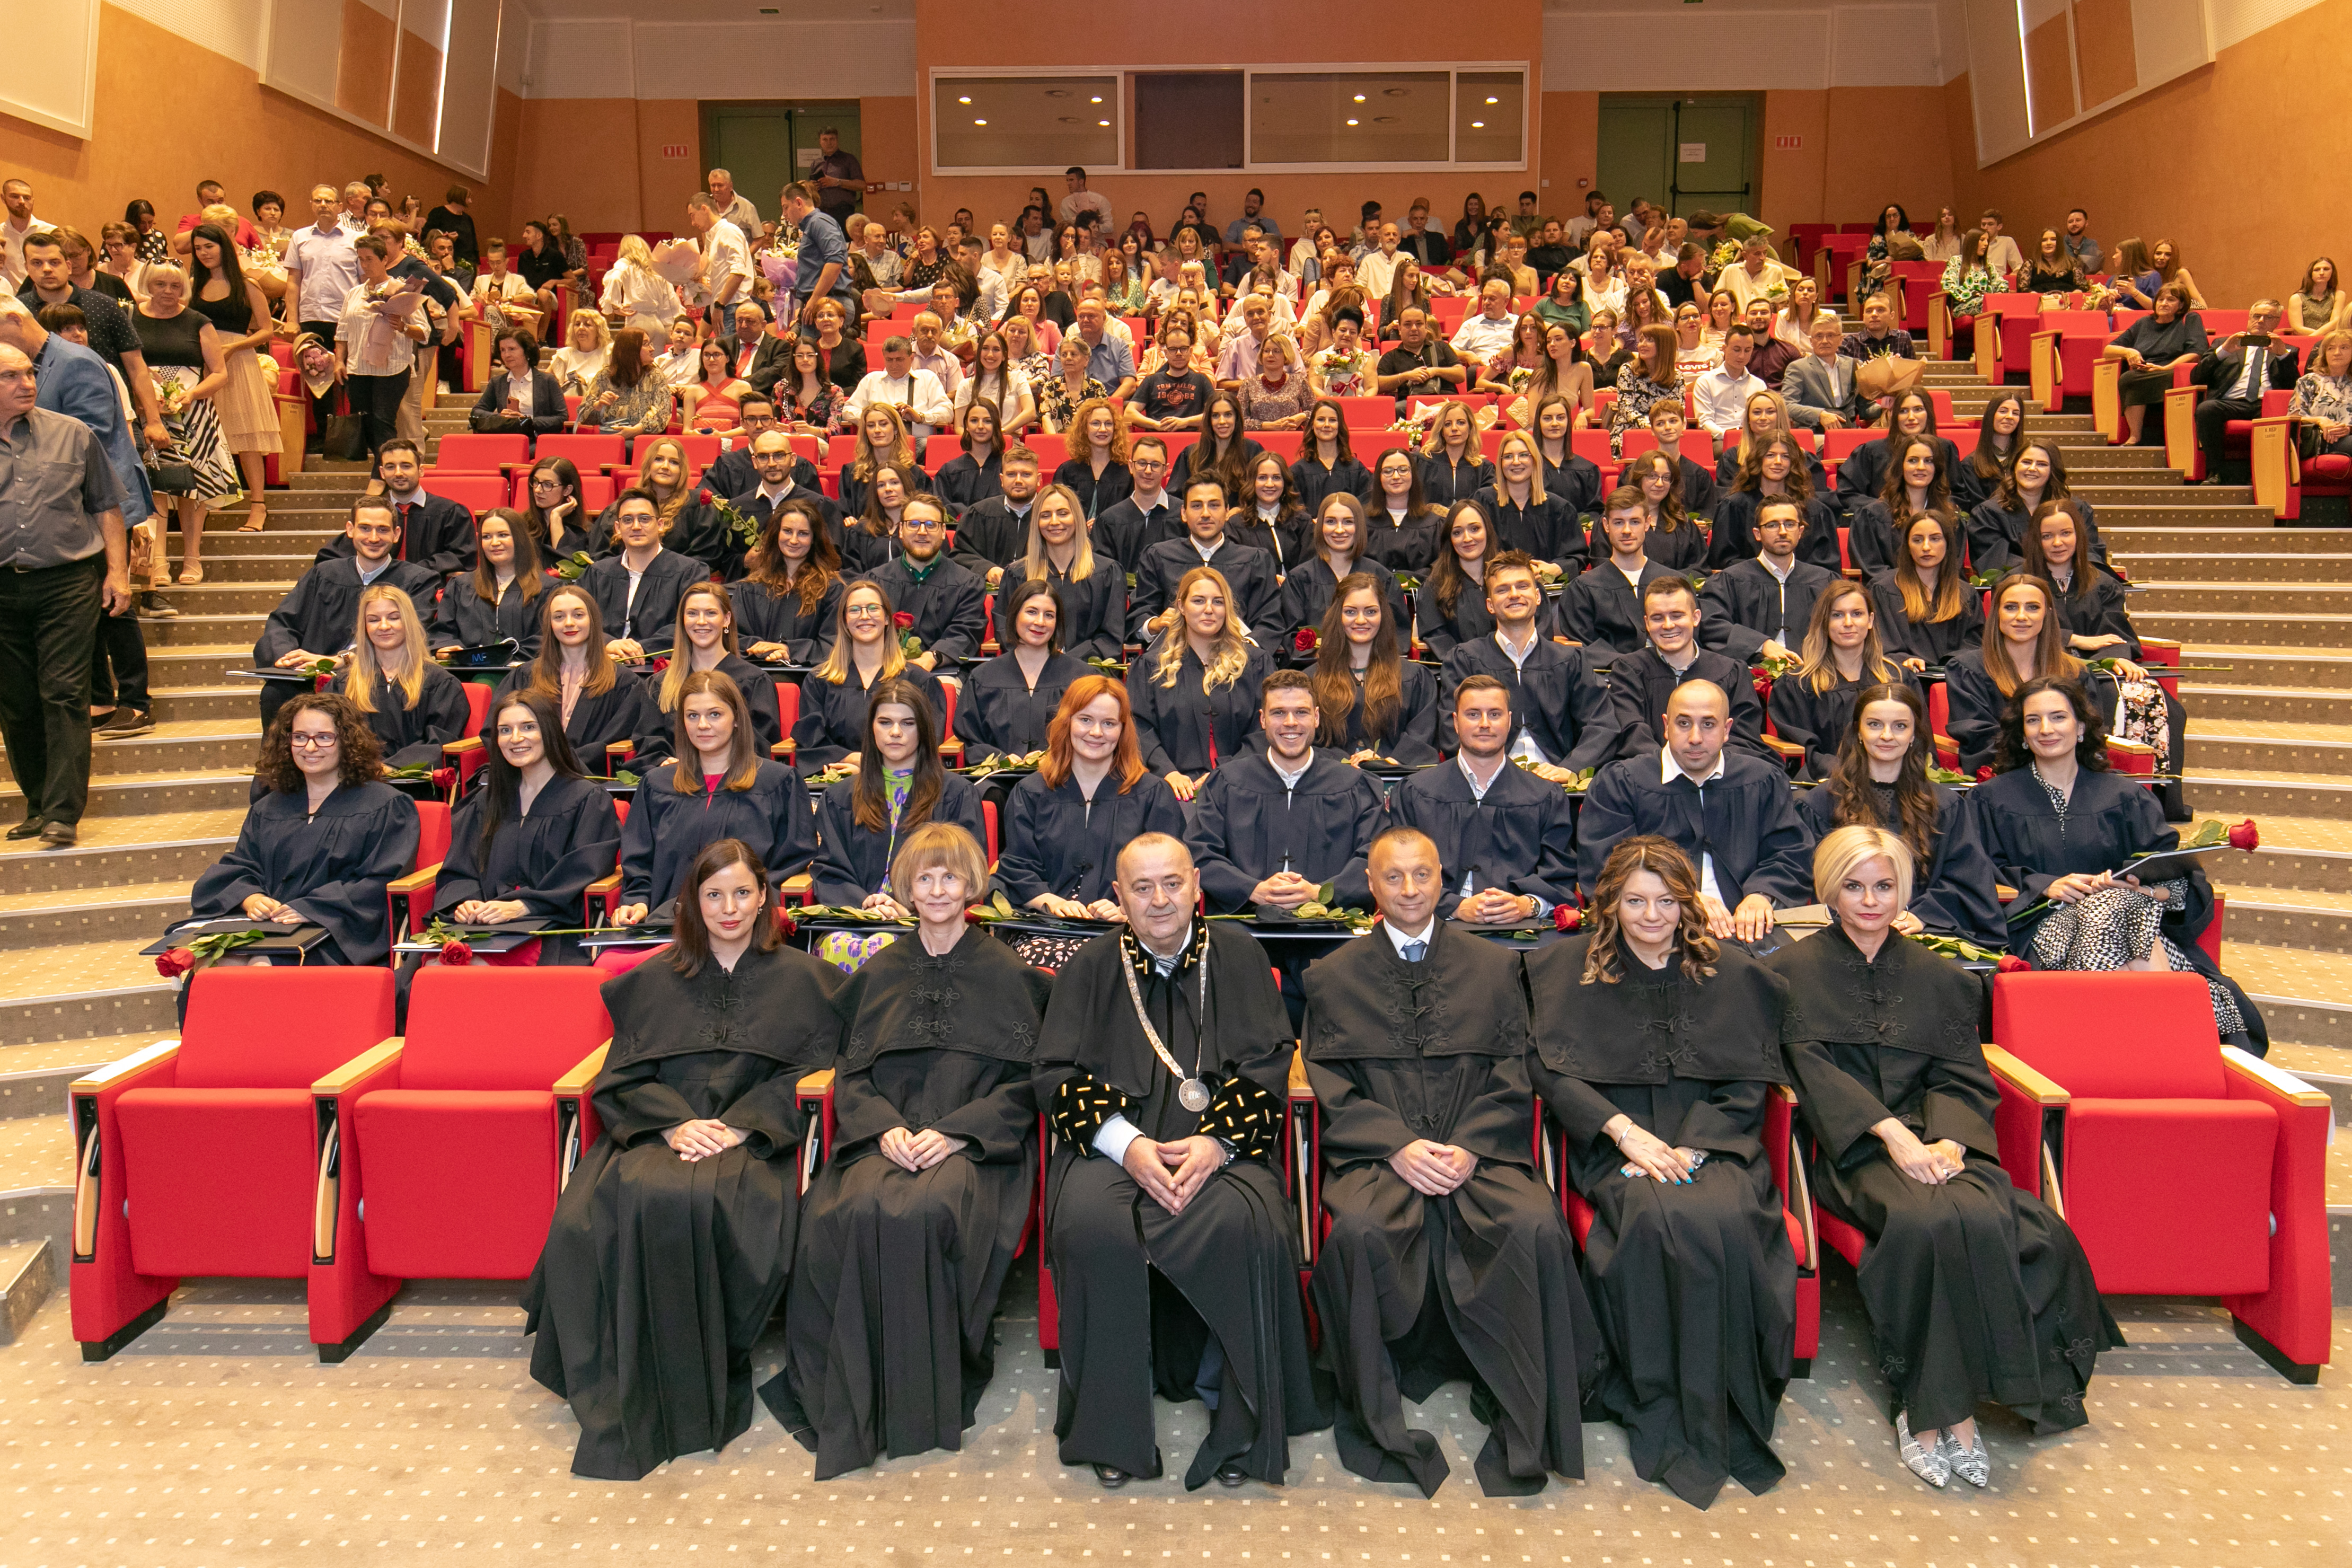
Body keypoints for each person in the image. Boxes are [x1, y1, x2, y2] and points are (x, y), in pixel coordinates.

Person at [1772, 826, 2123, 1488]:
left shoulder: (1944, 979)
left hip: (1943, 1142)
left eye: (1884, 886)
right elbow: (1810, 1072)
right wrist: (1896, 1139)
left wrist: (1948, 1142)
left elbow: (1963, 1076)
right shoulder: (1787, 974)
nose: (1870, 900)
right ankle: (1930, 1412)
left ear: (1903, 890)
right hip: (1854, 1148)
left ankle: (1969, 1406)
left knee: (2021, 1225)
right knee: (1926, 1225)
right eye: (1854, 886)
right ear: (1830, 892)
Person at [524, 837, 844, 1479]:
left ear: (764, 900)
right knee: (610, 1209)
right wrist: (672, 1125)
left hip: (754, 1139)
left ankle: (698, 1371)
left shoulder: (809, 981)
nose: (729, 908)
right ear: (693, 903)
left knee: (706, 1200)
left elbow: (816, 1075)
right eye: (714, 895)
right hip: (657, 1131)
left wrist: (743, 1126)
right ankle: (642, 1376)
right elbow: (620, 1079)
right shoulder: (651, 980)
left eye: (742, 893)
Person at [1302, 826, 1598, 1498]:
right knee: (1359, 1230)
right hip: (1381, 1157)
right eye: (1394, 877)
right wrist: (1396, 1145)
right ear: (1371, 888)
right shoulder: (1332, 976)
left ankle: (1519, 1393)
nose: (1410, 890)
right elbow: (1328, 1078)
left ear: (1445, 881)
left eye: (1423, 875)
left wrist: (1469, 1145)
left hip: (1480, 1152)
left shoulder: (1496, 967)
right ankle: (1377, 1396)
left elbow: (1513, 1069)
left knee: (1531, 1224)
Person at [1034, 832, 1320, 1490]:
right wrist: (1126, 1145)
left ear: (1197, 886)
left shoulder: (1241, 954)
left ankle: (1239, 1417)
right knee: (1092, 1225)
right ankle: (1112, 1429)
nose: (1159, 900)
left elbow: (1270, 1061)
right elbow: (1053, 1075)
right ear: (1118, 896)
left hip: (1216, 1143)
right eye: (1142, 887)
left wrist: (1216, 1144)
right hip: (1113, 1148)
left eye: (1172, 884)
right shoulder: (1090, 966)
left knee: (1246, 1222)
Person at [1525, 834, 1796, 1508]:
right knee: (1653, 1219)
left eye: (1667, 902)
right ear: (1609, 904)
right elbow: (1549, 1072)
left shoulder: (1730, 973)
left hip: (1714, 1142)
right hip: (1616, 1145)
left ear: (1687, 904)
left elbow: (1747, 1082)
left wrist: (1696, 1148)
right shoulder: (1565, 970)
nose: (1651, 916)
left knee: (1728, 1217)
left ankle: (1727, 1400)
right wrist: (1625, 1135)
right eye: (1635, 901)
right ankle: (1661, 1397)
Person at [779, 819, 1046, 1477]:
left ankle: (923, 1395)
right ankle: (854, 1391)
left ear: (972, 885)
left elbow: (1028, 1082)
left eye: (949, 876)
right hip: (887, 1136)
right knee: (837, 1214)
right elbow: (853, 1070)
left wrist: (958, 1133)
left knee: (925, 1214)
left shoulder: (1008, 972)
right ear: (905, 886)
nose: (935, 889)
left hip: (974, 1147)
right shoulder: (881, 970)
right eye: (923, 877)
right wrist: (882, 1127)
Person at [1969, 677, 2262, 1046]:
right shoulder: (1990, 799)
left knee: (2117, 903)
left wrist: (2147, 890)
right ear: (2021, 732)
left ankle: (2124, 1046)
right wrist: (2045, 884)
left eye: (2058, 717)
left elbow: (2174, 878)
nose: (2045, 729)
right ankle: (2170, 1046)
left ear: (2079, 728)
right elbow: (1977, 869)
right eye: (2033, 720)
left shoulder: (2125, 796)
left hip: (2131, 919)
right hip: (2040, 924)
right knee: (2119, 916)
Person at [0, 340, 134, 844]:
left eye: (29, 373)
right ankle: (37, 803)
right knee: (15, 702)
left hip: (68, 581)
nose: (28, 383)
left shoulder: (73, 434)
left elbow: (107, 508)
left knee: (63, 692)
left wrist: (117, 574)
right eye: (12, 377)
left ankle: (62, 813)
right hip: (2, 586)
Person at [1577, 681, 1813, 941]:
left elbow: (1791, 852)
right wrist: (1679, 897)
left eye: (1709, 724)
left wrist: (1763, 894)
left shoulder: (1763, 780)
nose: (1695, 738)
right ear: (1666, 726)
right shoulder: (1620, 783)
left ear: (1727, 730)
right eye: (1684, 723)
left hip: (1751, 930)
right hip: (1657, 930)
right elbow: (1608, 865)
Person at [428, 690, 622, 967]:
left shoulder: (587, 800)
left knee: (468, 972)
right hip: (486, 926)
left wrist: (523, 906)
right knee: (433, 969)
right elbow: (460, 868)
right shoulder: (487, 801)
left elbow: (584, 870)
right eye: (505, 730)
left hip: (549, 926)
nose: (516, 739)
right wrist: (467, 901)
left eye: (528, 727)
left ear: (550, 732)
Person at [1796, 684, 2003, 944]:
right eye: (1874, 724)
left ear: (1914, 735)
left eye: (1900, 726)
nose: (1886, 735)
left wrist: (1923, 915)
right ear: (1858, 732)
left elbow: (1968, 880)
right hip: (1842, 937)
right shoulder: (1821, 803)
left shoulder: (1945, 806)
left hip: (1921, 934)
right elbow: (1809, 880)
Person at [612, 672, 815, 926]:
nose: (703, 725)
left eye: (715, 714)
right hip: (669, 925)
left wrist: (751, 904)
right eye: (693, 716)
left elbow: (792, 862)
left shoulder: (779, 783)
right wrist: (637, 901)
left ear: (737, 719)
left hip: (747, 924)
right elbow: (639, 862)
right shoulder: (656, 785)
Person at [1185, 669, 1385, 921]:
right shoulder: (1226, 783)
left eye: (1301, 712)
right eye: (1278, 713)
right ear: (1263, 720)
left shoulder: (1356, 785)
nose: (1290, 722)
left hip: (1333, 929)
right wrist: (1253, 889)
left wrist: (1318, 892)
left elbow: (1376, 857)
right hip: (1245, 927)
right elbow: (1200, 852)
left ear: (1316, 717)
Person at [994, 675, 1186, 921]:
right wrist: (1052, 903)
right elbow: (1018, 868)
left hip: (1127, 926)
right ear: (1068, 722)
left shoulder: (1153, 794)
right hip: (1047, 925)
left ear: (1123, 729)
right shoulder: (1030, 793)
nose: (1096, 733)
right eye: (1086, 720)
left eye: (1109, 723)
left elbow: (1171, 873)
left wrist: (1125, 910)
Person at [1387, 675, 1579, 921]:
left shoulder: (1546, 797)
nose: (1485, 724)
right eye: (1474, 714)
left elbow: (1560, 875)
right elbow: (1399, 873)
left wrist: (1526, 905)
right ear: (1456, 722)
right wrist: (1454, 906)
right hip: (1436, 926)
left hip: (1522, 928)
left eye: (1495, 714)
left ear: (1510, 722)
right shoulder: (1415, 792)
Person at [252, 498, 440, 730]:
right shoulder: (323, 574)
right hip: (312, 676)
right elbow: (282, 622)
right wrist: (289, 658)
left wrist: (344, 660)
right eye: (365, 528)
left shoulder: (417, 580)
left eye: (383, 530)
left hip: (377, 677)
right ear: (350, 530)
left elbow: (412, 635)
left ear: (396, 534)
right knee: (276, 693)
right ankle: (280, 768)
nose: (373, 538)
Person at [809, 681, 988, 909]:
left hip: (927, 921)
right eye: (885, 722)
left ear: (923, 730)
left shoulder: (956, 794)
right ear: (871, 727)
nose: (895, 732)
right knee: (838, 945)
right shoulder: (840, 798)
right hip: (855, 917)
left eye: (908, 723)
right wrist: (866, 903)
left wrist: (907, 906)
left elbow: (967, 872)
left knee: (885, 944)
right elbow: (829, 870)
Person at [1437, 550, 1616, 772]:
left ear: (1539, 597)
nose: (1514, 594)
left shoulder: (1570, 661)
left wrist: (1570, 769)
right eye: (1502, 590)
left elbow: (1602, 724)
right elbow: (1451, 727)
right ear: (1490, 605)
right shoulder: (1464, 660)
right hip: (1488, 780)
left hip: (1556, 784)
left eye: (1522, 586)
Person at [1943, 575, 2118, 777]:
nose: (2021, 616)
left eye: (2033, 608)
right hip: (2004, 777)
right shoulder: (1967, 670)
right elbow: (1980, 741)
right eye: (2010, 607)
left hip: (2068, 777)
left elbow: (2087, 737)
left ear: (2048, 614)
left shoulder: (2076, 674)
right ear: (1997, 613)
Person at [1126, 565, 1273, 801]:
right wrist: (1168, 772)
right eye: (1198, 601)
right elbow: (1137, 726)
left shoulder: (1255, 664)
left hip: (1243, 786)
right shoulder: (1151, 667)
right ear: (1182, 607)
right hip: (1171, 789)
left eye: (1218, 602)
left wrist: (1228, 771)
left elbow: (1264, 727)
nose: (1209, 610)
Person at [485, 585, 658, 773]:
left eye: (578, 615)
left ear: (593, 620)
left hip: (587, 778)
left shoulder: (622, 683)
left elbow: (614, 740)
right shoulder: (525, 676)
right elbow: (495, 730)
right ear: (549, 624)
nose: (568, 623)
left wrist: (560, 765)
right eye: (559, 617)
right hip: (526, 774)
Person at [1603, 577, 1769, 762]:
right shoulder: (1629, 671)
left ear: (1696, 617)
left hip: (1718, 776)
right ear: (1647, 623)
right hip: (1649, 773)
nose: (1668, 625)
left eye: (1677, 615)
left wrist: (1702, 765)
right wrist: (1665, 766)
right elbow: (1631, 729)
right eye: (1657, 618)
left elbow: (1743, 737)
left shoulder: (1731, 671)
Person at [791, 578, 948, 772]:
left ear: (887, 618)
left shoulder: (919, 682)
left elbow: (926, 747)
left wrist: (870, 769)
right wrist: (856, 760)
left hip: (899, 784)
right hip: (835, 778)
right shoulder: (819, 681)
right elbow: (812, 741)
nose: (864, 616)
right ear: (844, 621)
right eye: (855, 610)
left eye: (873, 608)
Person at [1760, 577, 1910, 772]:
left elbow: (1920, 743)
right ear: (1824, 622)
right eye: (1837, 615)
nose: (1848, 623)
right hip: (1828, 784)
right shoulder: (1799, 685)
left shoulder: (1898, 679)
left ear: (1870, 620)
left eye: (1857, 614)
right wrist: (1850, 775)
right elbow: (1807, 752)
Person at [1131, 475, 1283, 647]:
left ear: (1227, 512)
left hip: (1239, 660)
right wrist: (1154, 624)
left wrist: (1246, 650)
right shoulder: (1158, 557)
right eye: (1196, 506)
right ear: (1183, 513)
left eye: (1214, 505)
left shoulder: (1255, 561)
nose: (1205, 514)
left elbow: (1269, 620)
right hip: (1173, 659)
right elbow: (1141, 613)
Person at [953, 576, 1087, 762]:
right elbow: (969, 739)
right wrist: (1001, 759)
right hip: (997, 779)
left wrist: (1055, 757)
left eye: (1049, 615)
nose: (1040, 622)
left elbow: (1093, 735)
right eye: (1032, 612)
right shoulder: (983, 678)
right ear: (1015, 615)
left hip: (1062, 776)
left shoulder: (1081, 678)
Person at [644, 584, 783, 761]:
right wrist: (663, 761)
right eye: (692, 613)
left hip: (736, 780)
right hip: (675, 779)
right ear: (683, 620)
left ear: (726, 619)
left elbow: (762, 743)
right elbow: (649, 739)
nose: (701, 622)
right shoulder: (661, 684)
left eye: (711, 613)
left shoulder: (755, 681)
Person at [337, 584, 471, 767]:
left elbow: (441, 744)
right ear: (364, 627)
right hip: (356, 783)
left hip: (413, 783)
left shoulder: (439, 684)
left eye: (394, 618)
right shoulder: (344, 682)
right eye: (374, 620)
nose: (384, 626)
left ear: (408, 622)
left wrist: (391, 767)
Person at [1702, 497, 1837, 668]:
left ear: (1800, 531)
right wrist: (1761, 644)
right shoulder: (1729, 581)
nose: (1782, 532)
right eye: (1772, 525)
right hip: (1749, 676)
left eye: (1790, 524)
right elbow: (1711, 624)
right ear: (1757, 534)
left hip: (1814, 674)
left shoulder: (1825, 581)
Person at [579, 488, 709, 661]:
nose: (636, 526)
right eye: (627, 520)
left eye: (645, 519)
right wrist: (606, 643)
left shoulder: (690, 573)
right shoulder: (598, 574)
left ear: (660, 525)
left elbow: (694, 622)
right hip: (601, 664)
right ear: (618, 528)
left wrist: (642, 649)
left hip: (661, 669)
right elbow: (574, 616)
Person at [2190, 299, 2300, 481]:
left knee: (2282, 416)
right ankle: (2216, 472)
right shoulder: (2223, 343)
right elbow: (2196, 377)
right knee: (2206, 409)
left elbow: (2293, 387)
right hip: (2229, 402)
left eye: (2268, 317)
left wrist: (2283, 356)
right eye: (2257, 316)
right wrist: (2224, 351)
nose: (2261, 321)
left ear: (2278, 322)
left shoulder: (2287, 350)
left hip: (2266, 406)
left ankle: (2264, 475)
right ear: (2249, 318)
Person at [733, 495, 844, 666]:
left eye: (803, 534)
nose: (793, 540)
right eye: (787, 531)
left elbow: (834, 645)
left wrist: (789, 649)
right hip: (755, 672)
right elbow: (734, 638)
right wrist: (766, 650)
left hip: (808, 677)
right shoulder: (751, 587)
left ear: (814, 539)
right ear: (776, 534)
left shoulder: (832, 590)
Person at [1867, 510, 1982, 669]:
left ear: (1948, 543)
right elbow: (1880, 643)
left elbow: (1975, 644)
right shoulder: (1884, 591)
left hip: (1955, 678)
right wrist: (1903, 659)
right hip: (1905, 678)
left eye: (1935, 539)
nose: (1926, 547)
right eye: (1917, 540)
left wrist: (1952, 664)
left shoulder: (1966, 594)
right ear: (1907, 546)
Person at [2101, 284, 2207, 445]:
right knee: (2130, 378)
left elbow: (2196, 353)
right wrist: (2129, 352)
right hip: (2146, 371)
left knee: (2133, 379)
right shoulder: (2144, 323)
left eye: (2171, 300)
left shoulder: (2190, 319)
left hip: (2176, 371)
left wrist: (2166, 368)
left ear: (2181, 305)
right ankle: (2135, 435)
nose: (2164, 303)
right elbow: (2108, 349)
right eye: (2161, 299)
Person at [429, 509, 542, 658]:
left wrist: (500, 655)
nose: (495, 543)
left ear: (521, 539)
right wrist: (445, 649)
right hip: (469, 669)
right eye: (487, 537)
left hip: (526, 670)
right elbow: (443, 632)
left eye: (503, 535)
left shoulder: (546, 588)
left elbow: (547, 639)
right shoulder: (461, 586)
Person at [1475, 430, 1581, 583]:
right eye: (1509, 456)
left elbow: (1577, 556)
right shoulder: (1483, 503)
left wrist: (1555, 568)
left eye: (1524, 455)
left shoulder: (1559, 509)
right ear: (1500, 463)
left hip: (1546, 593)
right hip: (1492, 590)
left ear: (1535, 461)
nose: (1516, 462)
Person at [1835, 390, 1955, 514]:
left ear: (1929, 413)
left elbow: (1959, 496)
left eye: (1918, 409)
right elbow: (1847, 494)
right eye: (1903, 411)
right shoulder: (1871, 452)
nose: (1911, 417)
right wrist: (1885, 509)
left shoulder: (1945, 449)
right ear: (1892, 415)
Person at [578, 327, 675, 436]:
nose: (652, 349)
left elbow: (662, 412)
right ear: (631, 349)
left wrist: (636, 430)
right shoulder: (604, 376)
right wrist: (598, 405)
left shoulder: (656, 376)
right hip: (610, 436)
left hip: (641, 438)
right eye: (646, 344)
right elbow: (582, 416)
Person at [1952, 392, 2026, 513]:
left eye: (2016, 413)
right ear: (1991, 415)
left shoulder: (2026, 461)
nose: (2010, 417)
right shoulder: (1971, 464)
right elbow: (1978, 508)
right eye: (2003, 411)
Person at [2285, 327, 2352, 461]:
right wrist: (2321, 420)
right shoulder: (2308, 382)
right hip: (2317, 440)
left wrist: (2349, 429)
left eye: (2344, 348)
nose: (2337, 353)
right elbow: (2293, 418)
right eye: (2331, 348)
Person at [1417, 400, 1493, 509]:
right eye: (1447, 424)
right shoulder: (1422, 462)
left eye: (1461, 423)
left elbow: (1489, 507)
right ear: (1441, 431)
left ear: (1471, 428)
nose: (1454, 428)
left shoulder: (1484, 469)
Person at [2287, 258, 2346, 337]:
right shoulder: (2296, 298)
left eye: (2326, 269)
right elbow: (2297, 328)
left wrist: (2320, 337)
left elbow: (2335, 322)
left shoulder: (2339, 295)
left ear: (2332, 273)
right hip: (2305, 340)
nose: (2322, 273)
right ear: (2310, 274)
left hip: (2330, 341)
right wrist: (2317, 337)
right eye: (2317, 270)